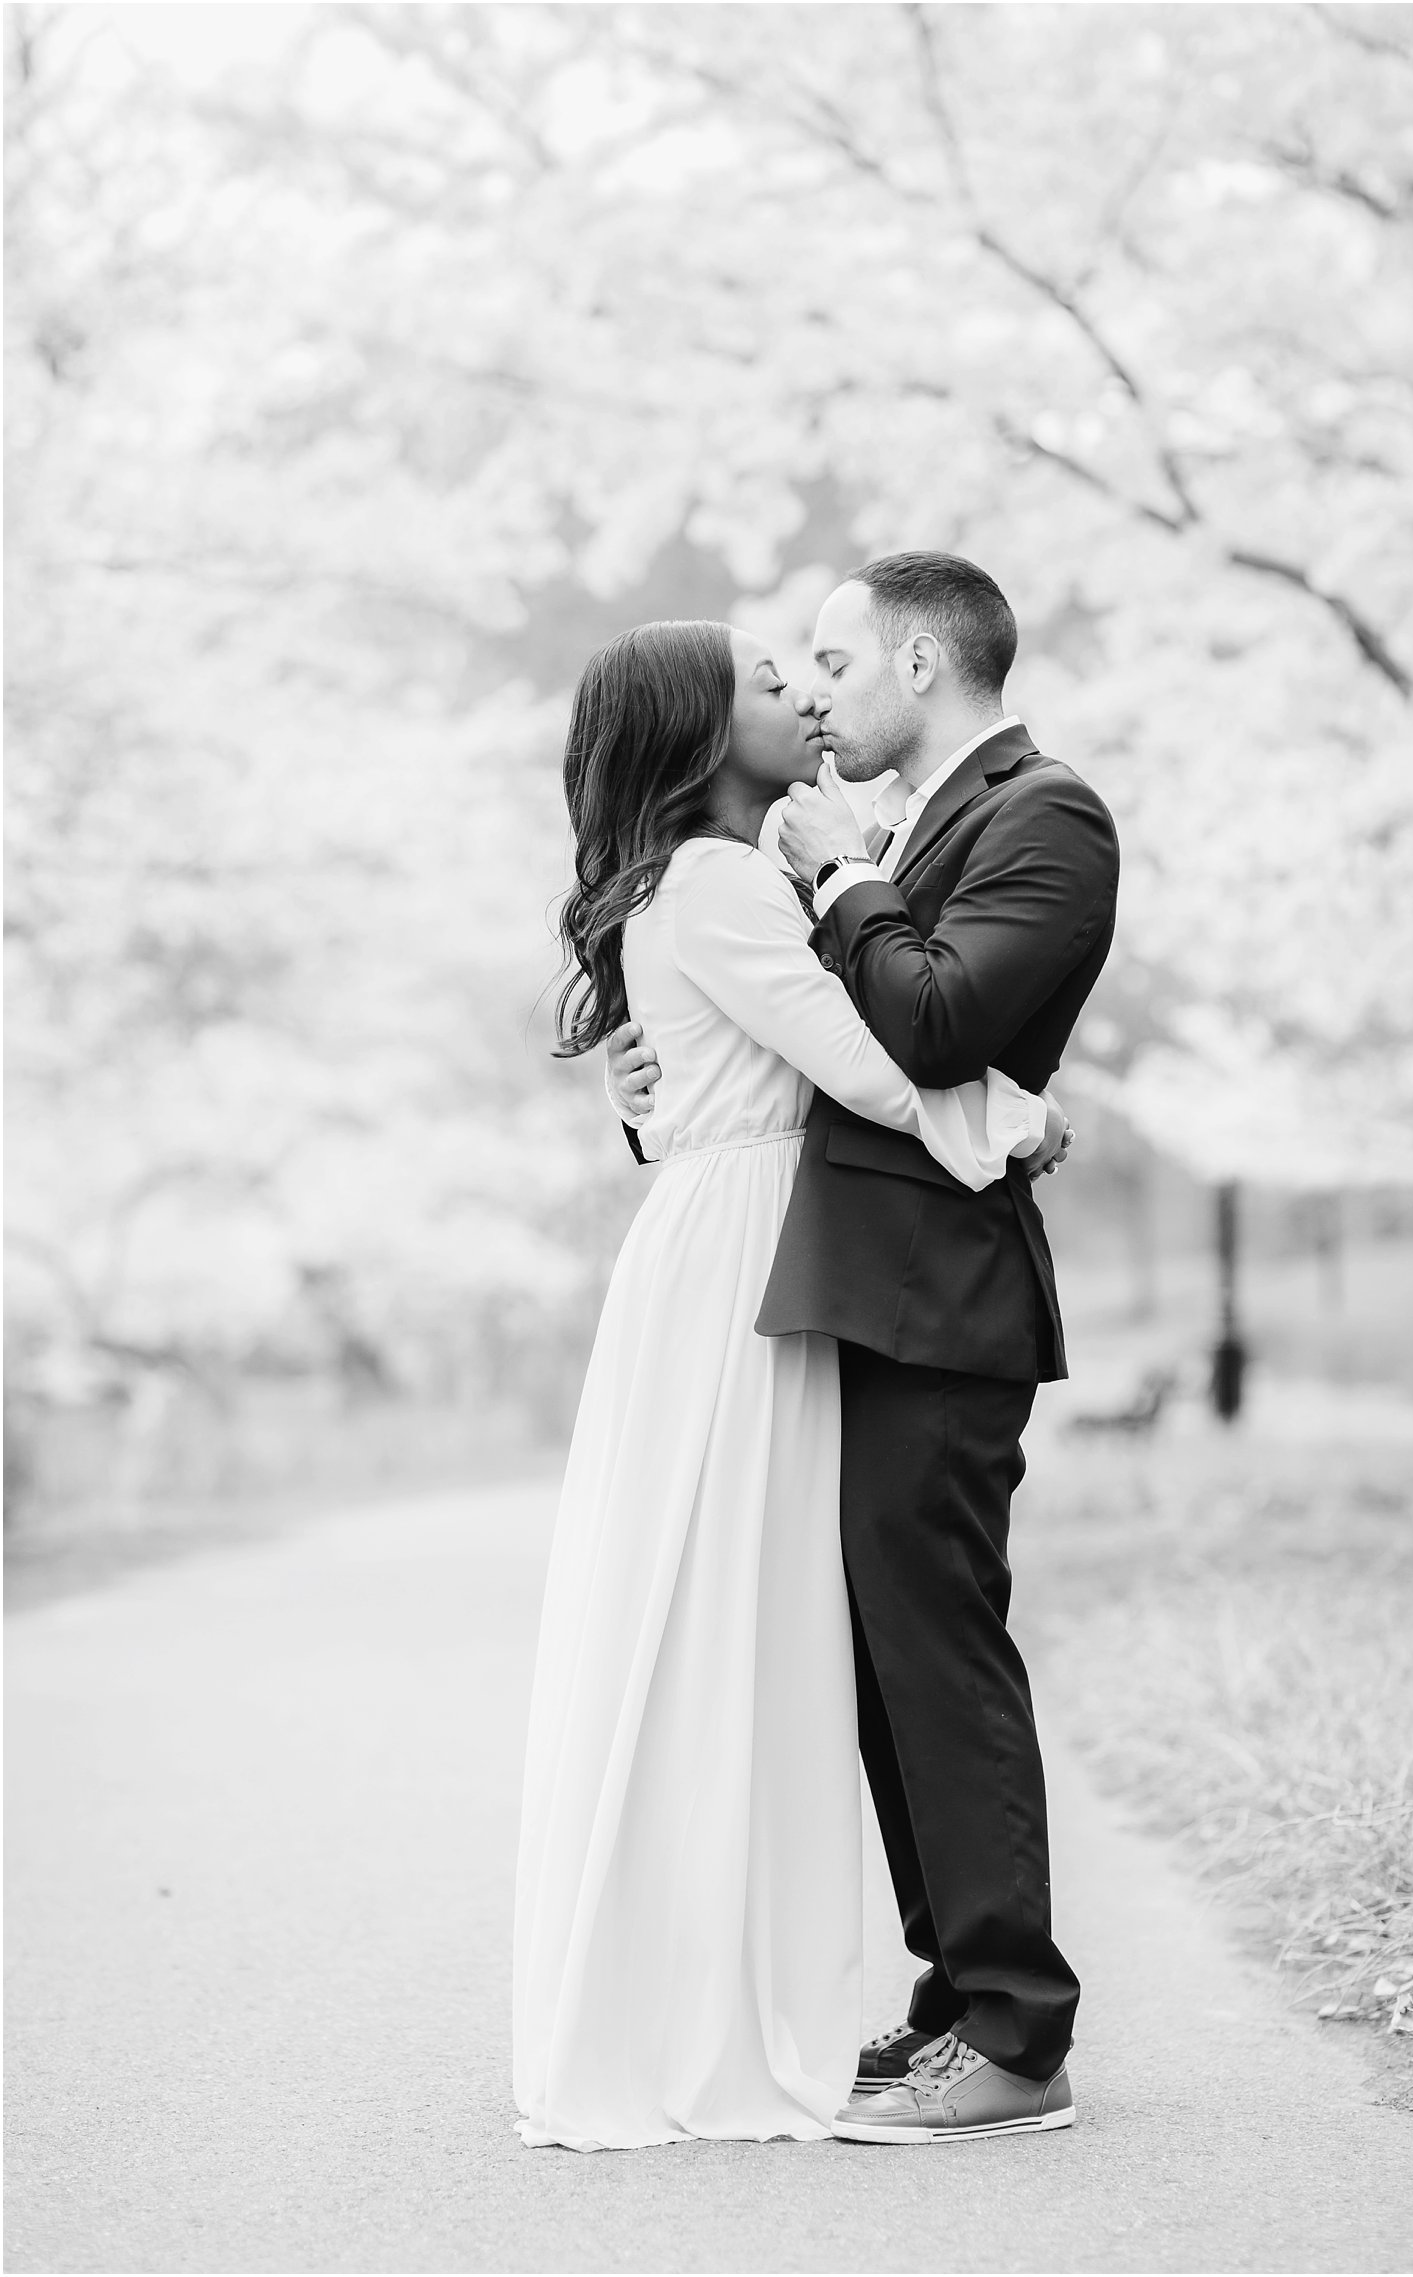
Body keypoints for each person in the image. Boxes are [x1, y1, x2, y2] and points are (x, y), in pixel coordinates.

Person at [513, 617, 1064, 2152]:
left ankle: (744, 1986)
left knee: (724, 1625)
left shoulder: (692, 884)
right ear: (702, 737)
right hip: (753, 1254)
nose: (804, 695)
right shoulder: (725, 881)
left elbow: (706, 1067)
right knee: (736, 1625)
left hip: (735, 1241)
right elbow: (872, 1066)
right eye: (769, 683)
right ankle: (732, 2006)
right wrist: (1011, 1120)